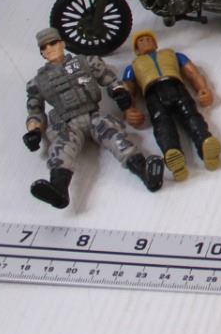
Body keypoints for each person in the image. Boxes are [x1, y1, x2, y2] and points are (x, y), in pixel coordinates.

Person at [24, 27, 162, 208]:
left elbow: (111, 80)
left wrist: (119, 92)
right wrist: (34, 131)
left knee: (117, 139)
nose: (49, 49)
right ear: (42, 53)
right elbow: (35, 110)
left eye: (53, 43)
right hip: (67, 124)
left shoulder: (86, 62)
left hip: (93, 115)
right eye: (44, 47)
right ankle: (59, 190)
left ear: (62, 44)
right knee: (61, 150)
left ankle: (145, 174)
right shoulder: (38, 82)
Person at [120, 30, 219, 182]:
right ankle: (172, 154)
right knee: (162, 124)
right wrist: (128, 109)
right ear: (136, 50)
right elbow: (128, 90)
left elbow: (193, 73)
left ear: (156, 44)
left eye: (148, 39)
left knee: (191, 115)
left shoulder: (174, 55)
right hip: (152, 93)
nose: (145, 41)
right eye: (141, 41)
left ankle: (205, 143)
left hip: (176, 86)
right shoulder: (131, 68)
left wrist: (203, 89)